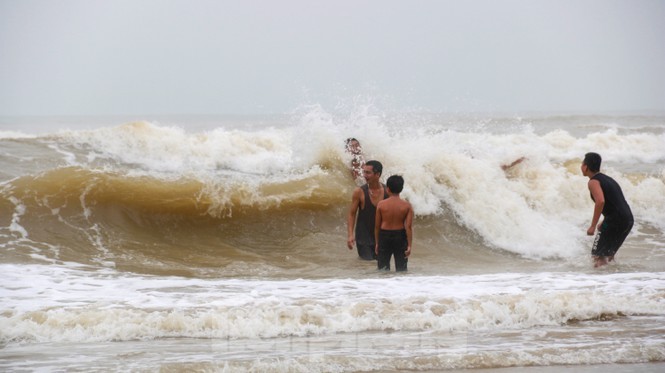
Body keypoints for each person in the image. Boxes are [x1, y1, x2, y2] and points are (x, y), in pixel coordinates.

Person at [581, 152, 634, 268]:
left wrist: (593, 225)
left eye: (582, 164)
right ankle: (611, 281)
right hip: (627, 219)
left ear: (586, 167)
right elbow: (615, 202)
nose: (581, 167)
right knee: (608, 256)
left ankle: (600, 283)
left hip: (615, 220)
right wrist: (605, 221)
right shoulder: (608, 179)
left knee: (597, 257)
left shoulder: (593, 182)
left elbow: (601, 201)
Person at [347, 160, 388, 260]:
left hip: (382, 238)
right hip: (363, 238)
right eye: (364, 172)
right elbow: (352, 214)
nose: (364, 175)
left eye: (368, 172)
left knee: (382, 268)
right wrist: (350, 235)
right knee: (367, 265)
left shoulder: (388, 191)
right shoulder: (359, 192)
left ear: (377, 174)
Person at [374, 175, 414, 271]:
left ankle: (384, 285)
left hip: (384, 236)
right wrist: (409, 245)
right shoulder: (407, 206)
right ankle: (400, 285)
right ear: (401, 188)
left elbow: (377, 226)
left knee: (382, 269)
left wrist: (377, 243)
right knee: (401, 268)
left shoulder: (381, 204)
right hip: (400, 236)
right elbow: (408, 227)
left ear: (388, 189)